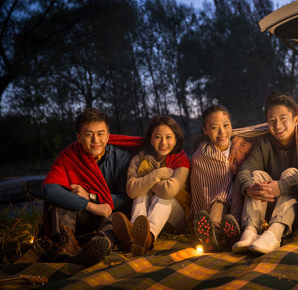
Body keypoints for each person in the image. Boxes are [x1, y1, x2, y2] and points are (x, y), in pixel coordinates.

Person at [232, 92, 298, 254]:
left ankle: (274, 234)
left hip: (297, 210)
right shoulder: (265, 143)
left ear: (295, 120)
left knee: (291, 172)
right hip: (268, 206)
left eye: (283, 118)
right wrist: (248, 187)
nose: (277, 125)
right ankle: (250, 231)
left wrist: (282, 187)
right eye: (272, 120)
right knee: (257, 175)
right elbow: (245, 169)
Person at [41, 108, 132, 266]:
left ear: (108, 135)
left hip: (108, 216)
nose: (95, 140)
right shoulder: (70, 156)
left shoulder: (122, 158)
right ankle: (67, 244)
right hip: (78, 218)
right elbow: (49, 189)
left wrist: (91, 196)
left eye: (100, 134)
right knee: (62, 197)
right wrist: (89, 205)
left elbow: (125, 198)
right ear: (79, 137)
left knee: (116, 220)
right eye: (89, 134)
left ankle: (95, 248)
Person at [112, 116, 191, 256]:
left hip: (176, 218)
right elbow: (131, 190)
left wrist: (144, 181)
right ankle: (135, 234)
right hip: (148, 215)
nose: (163, 142)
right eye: (158, 137)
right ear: (150, 139)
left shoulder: (180, 158)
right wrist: (157, 174)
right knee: (140, 195)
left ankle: (148, 237)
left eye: (168, 137)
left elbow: (169, 191)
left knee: (161, 197)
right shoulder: (139, 159)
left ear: (176, 139)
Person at [190, 105, 254, 252]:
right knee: (219, 200)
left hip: (240, 200)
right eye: (214, 128)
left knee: (236, 185)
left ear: (231, 124)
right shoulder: (200, 157)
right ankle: (215, 232)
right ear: (206, 131)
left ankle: (226, 230)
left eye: (225, 125)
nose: (222, 132)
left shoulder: (242, 148)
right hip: (214, 206)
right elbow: (202, 190)